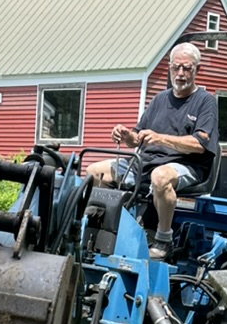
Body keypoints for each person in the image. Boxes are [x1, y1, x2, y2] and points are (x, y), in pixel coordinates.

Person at [86, 42, 218, 261]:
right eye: (176, 68)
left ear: (197, 70)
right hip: (146, 161)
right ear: (170, 68)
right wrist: (125, 134)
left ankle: (163, 239)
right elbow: (137, 138)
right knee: (94, 171)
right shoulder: (159, 99)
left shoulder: (205, 102)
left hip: (186, 165)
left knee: (160, 176)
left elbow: (200, 144)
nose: (181, 74)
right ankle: (110, 228)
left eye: (187, 68)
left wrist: (161, 138)